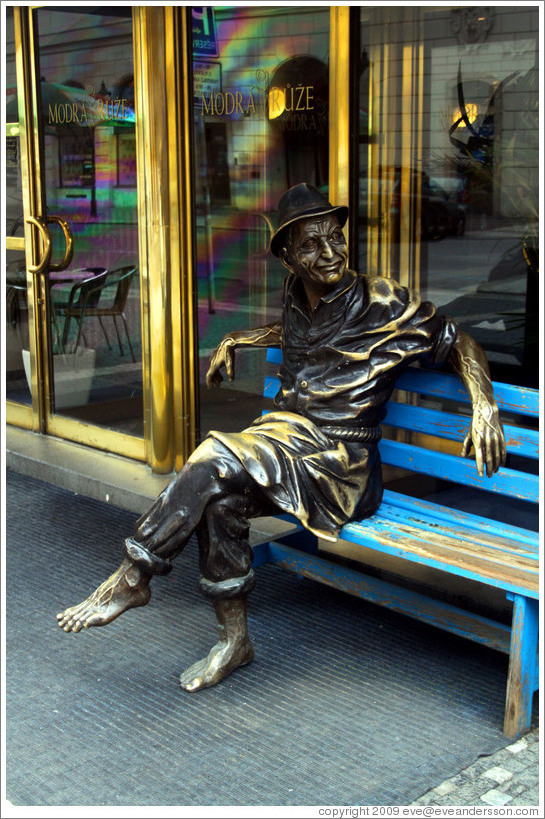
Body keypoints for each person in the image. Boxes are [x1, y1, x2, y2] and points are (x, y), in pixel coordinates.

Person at [57, 183, 506, 690]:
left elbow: (457, 339)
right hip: (291, 442)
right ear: (289, 259)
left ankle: (133, 576)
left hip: (343, 464)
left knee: (211, 455)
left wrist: (484, 405)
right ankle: (234, 642)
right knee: (219, 501)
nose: (330, 253)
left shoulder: (382, 302)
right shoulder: (297, 298)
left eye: (335, 238)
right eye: (312, 246)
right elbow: (297, 335)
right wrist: (236, 337)